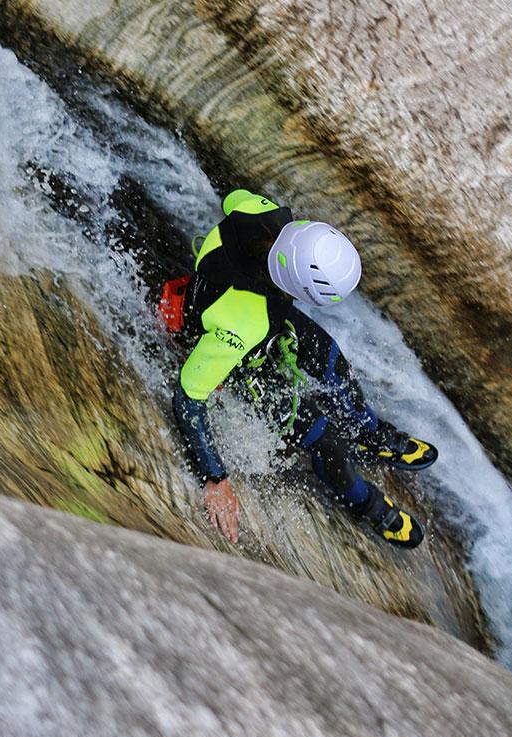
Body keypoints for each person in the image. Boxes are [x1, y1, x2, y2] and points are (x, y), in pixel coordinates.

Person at [165, 189, 437, 547]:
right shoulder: (242, 325)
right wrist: (215, 478)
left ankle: (370, 436)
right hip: (242, 353)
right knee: (325, 443)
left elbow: (233, 198)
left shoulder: (259, 213)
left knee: (333, 362)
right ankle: (367, 505)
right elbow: (188, 396)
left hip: (261, 310)